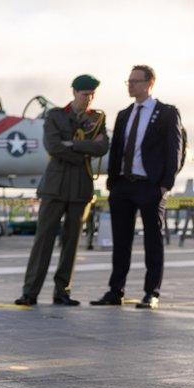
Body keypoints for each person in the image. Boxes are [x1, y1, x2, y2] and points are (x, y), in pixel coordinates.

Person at [91, 65, 184, 309]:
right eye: (128, 81)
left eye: (135, 81)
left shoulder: (166, 113)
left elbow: (174, 149)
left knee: (153, 240)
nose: (130, 85)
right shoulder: (124, 114)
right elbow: (118, 150)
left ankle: (151, 292)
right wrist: (112, 182)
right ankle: (115, 291)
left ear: (149, 83)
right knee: (120, 241)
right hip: (122, 185)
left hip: (149, 186)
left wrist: (165, 184)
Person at [15, 75, 109, 306]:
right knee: (43, 240)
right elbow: (54, 147)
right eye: (85, 94)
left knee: (71, 242)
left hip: (81, 187)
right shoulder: (55, 116)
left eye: (91, 95)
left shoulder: (97, 119)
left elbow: (102, 147)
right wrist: (84, 151)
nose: (89, 98)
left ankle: (62, 291)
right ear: (74, 92)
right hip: (55, 187)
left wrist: (74, 145)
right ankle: (30, 292)